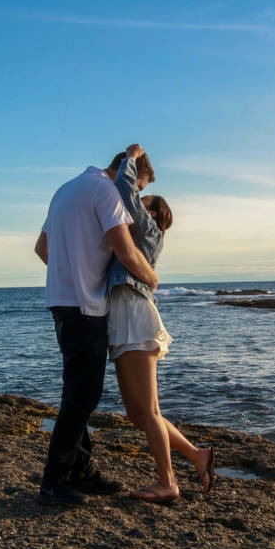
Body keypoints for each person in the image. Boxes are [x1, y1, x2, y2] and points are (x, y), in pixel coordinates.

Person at [33, 153, 159, 506]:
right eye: (138, 186)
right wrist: (152, 279)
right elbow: (127, 252)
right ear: (126, 174)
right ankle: (53, 482)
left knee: (77, 390)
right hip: (86, 307)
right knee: (83, 396)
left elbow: (42, 248)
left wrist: (74, 270)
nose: (134, 196)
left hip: (62, 302)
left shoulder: (66, 189)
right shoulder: (107, 192)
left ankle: (81, 471)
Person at [107, 143, 214, 503]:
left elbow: (124, 189)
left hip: (134, 315)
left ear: (153, 215)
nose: (137, 201)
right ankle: (197, 456)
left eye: (144, 201)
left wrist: (133, 160)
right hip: (123, 316)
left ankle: (168, 482)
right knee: (137, 413)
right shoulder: (137, 234)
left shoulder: (148, 233)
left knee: (149, 411)